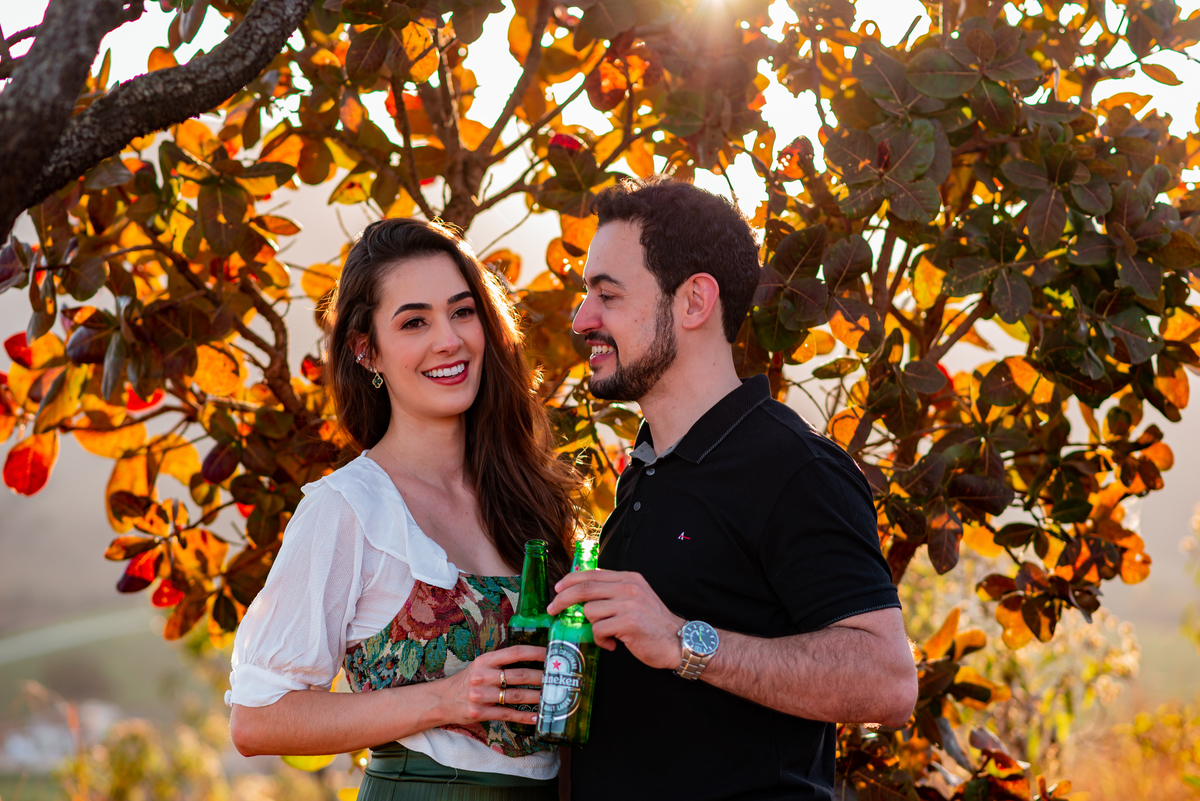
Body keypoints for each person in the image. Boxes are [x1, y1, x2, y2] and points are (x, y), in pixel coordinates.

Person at [550, 177, 919, 800]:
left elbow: (886, 682)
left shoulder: (794, 468)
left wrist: (681, 641)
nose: (582, 320)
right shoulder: (647, 468)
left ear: (695, 301)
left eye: (607, 295)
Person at [227, 218, 580, 800]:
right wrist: (444, 699)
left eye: (462, 312)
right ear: (367, 351)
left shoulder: (528, 496)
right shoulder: (349, 509)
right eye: (415, 321)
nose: (449, 340)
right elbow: (257, 718)